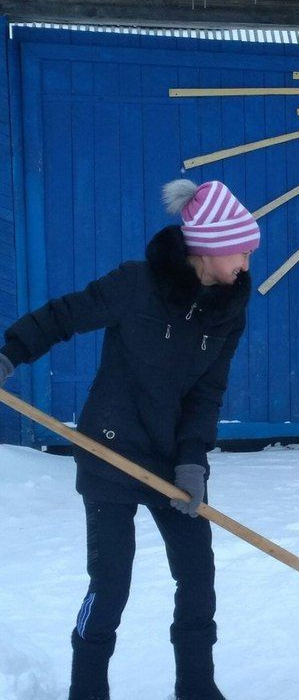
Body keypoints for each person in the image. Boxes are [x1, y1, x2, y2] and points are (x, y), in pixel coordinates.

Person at [0, 179, 259, 700]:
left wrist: (192, 463)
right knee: (111, 584)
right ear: (207, 247)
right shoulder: (135, 285)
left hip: (170, 462)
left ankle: (196, 687)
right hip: (109, 452)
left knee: (198, 577)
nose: (246, 266)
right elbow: (63, 316)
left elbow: (207, 394)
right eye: (241, 252)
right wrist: (10, 353)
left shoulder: (228, 311)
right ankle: (87, 689)